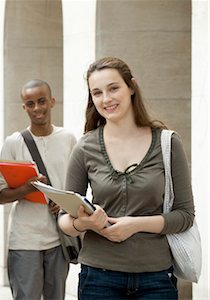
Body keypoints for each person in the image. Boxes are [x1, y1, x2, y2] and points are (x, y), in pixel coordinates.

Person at [58, 57, 195, 299]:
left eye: (113, 88)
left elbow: (184, 216)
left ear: (131, 87)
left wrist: (136, 225)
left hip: (156, 278)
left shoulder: (168, 143)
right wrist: (85, 224)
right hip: (98, 279)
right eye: (97, 93)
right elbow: (64, 220)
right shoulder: (85, 147)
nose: (106, 99)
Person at [0, 79, 76, 300]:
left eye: (41, 101)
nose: (37, 108)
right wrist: (26, 189)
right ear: (24, 107)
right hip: (24, 239)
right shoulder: (13, 143)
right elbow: (1, 196)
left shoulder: (68, 139)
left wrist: (65, 202)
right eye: (30, 104)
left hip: (59, 237)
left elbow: (78, 187)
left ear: (52, 101)